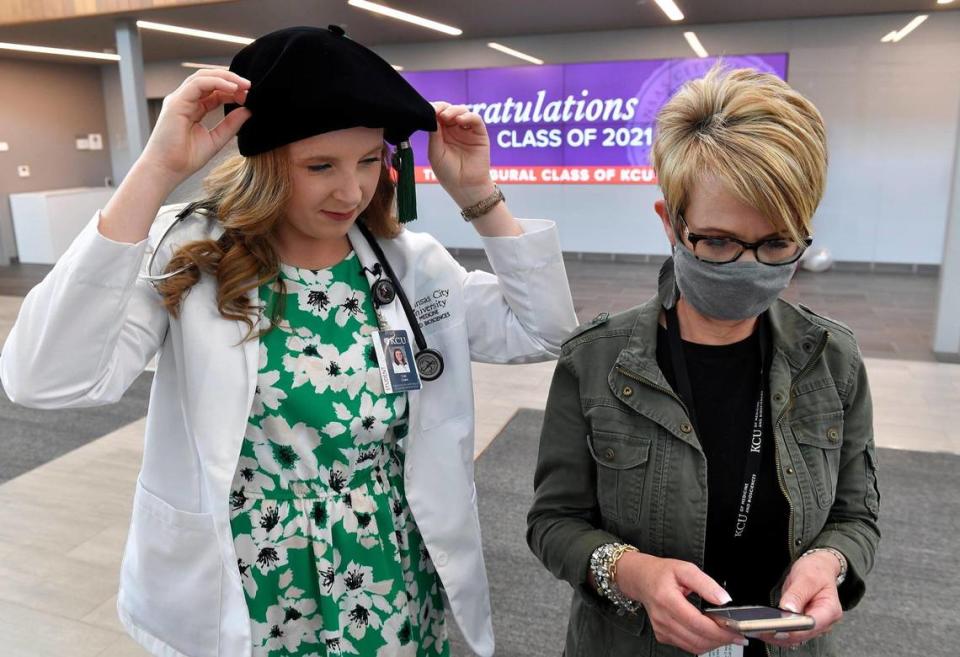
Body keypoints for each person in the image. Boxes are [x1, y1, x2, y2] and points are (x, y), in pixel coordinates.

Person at [0, 25, 577, 657]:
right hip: (254, 569)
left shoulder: (409, 266)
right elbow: (44, 378)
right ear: (267, 164)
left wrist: (477, 195)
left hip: (384, 556)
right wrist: (155, 170)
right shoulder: (195, 257)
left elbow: (544, 331)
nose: (351, 191)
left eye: (367, 161)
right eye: (320, 166)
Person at [527, 66, 880, 657]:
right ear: (671, 223)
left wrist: (831, 561)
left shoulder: (833, 361)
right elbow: (553, 522)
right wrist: (633, 573)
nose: (746, 266)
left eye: (776, 245)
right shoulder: (596, 363)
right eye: (716, 242)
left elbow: (856, 514)